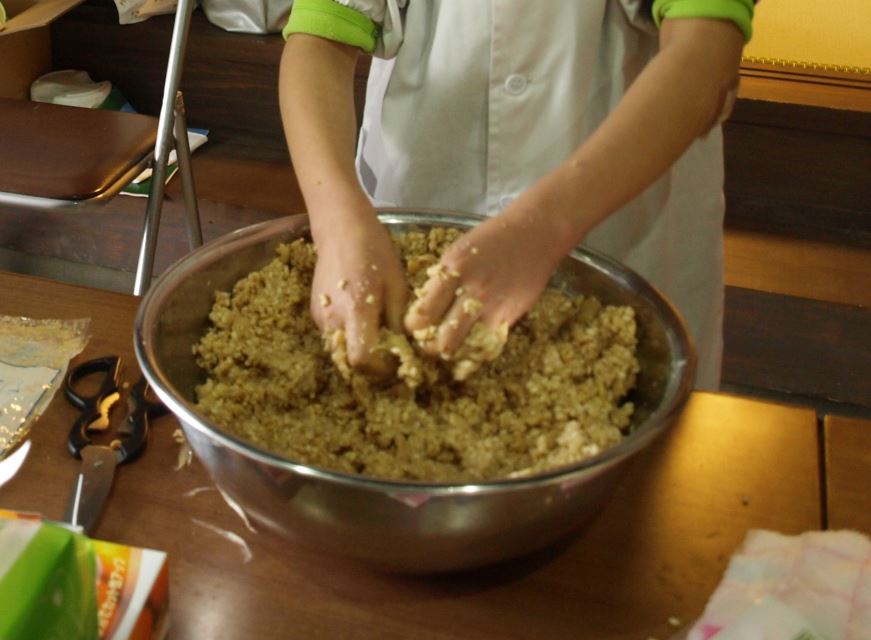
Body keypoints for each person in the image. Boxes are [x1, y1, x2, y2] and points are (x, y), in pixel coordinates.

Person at [278, 0, 756, 390]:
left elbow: (703, 52)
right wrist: (338, 220)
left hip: (619, 221)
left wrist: (544, 227)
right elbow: (321, 39)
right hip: (424, 201)